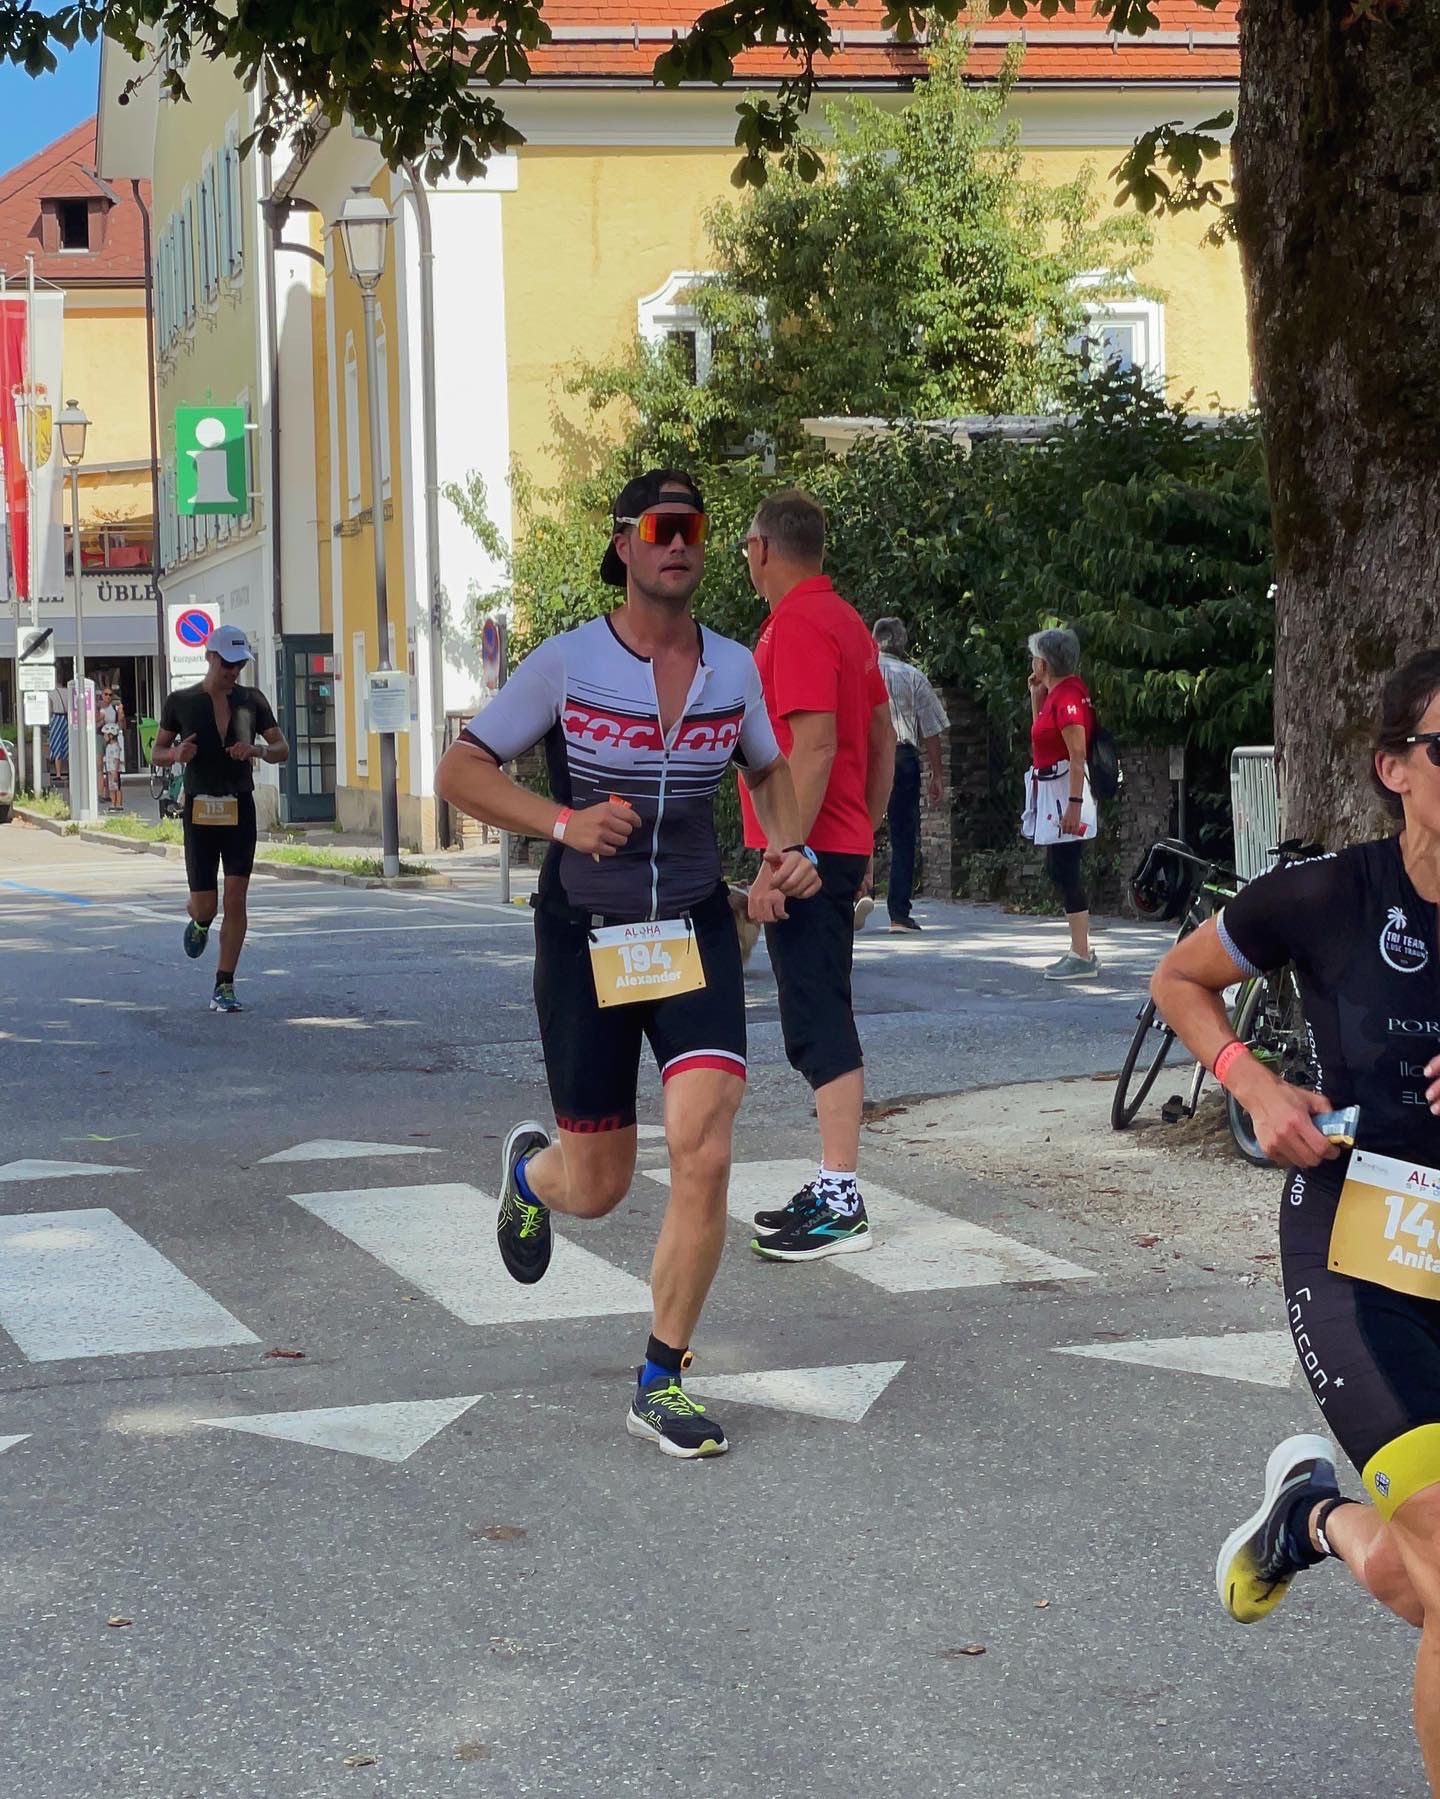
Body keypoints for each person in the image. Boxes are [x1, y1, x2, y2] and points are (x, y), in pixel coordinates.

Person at [434, 469, 819, 1460]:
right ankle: (533, 1175)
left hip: (691, 930)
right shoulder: (568, 663)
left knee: (705, 1143)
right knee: (599, 1184)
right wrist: (562, 821)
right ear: (624, 545)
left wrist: (787, 850)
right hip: (587, 936)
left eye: (693, 527)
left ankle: (662, 1375)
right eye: (660, 527)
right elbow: (461, 769)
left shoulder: (733, 669)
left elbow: (769, 770)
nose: (678, 542)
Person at [1152, 648, 1440, 1793]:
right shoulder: (1328, 896)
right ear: (1393, 767)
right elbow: (1180, 978)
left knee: (1424, 1579)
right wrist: (1252, 1083)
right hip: (1360, 1247)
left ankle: (1311, 1516)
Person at [739, 489, 897, 1262]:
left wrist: (786, 851)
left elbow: (815, 744)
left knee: (818, 1020)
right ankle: (834, 1184)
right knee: (819, 1010)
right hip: (829, 846)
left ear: (764, 548)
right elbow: (883, 737)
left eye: (745, 545)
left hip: (804, 852)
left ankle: (841, 1199)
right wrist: (860, 835)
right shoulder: (847, 621)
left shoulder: (797, 623)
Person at [151, 625, 289, 1013]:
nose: (233, 671)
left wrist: (257, 751)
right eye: (228, 664)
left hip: (239, 806)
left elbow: (282, 748)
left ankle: (224, 984)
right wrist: (175, 755)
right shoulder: (181, 701)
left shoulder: (252, 700)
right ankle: (199, 920)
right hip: (199, 810)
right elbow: (157, 751)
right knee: (206, 906)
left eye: (239, 664)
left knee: (236, 897)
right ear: (210, 657)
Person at [1023, 627, 1099, 981]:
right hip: (1054, 789)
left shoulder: (1067, 697)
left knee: (1065, 868)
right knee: (1060, 868)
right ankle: (1080, 948)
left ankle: (1081, 953)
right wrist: (1036, 697)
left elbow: (1077, 752)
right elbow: (1042, 735)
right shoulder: (1057, 694)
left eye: (1035, 657)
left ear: (1045, 663)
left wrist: (1074, 803)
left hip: (1063, 790)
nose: (1032, 663)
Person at [873, 616, 948, 932]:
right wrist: (937, 774)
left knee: (855, 826)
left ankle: (852, 899)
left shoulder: (860, 671)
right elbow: (931, 729)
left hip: (865, 755)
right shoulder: (913, 676)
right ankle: (898, 914)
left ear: (875, 640)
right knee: (903, 834)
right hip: (902, 755)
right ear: (902, 643)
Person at [98, 686, 126, 811]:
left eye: (110, 694)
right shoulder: (98, 708)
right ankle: (110, 801)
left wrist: (121, 713)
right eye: (106, 694)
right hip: (109, 768)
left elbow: (116, 759)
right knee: (110, 784)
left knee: (116, 785)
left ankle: (118, 804)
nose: (108, 697)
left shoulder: (115, 746)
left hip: (114, 768)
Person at [48, 680, 68, 786]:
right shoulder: (68, 691)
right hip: (66, 718)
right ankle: (69, 770)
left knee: (56, 745)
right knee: (66, 745)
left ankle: (58, 773)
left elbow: (49, 709)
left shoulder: (50, 693)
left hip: (55, 718)